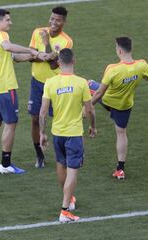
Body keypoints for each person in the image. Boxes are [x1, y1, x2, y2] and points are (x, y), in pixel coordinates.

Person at [0, 9, 48, 174]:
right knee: (10, 124)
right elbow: (8, 47)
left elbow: (13, 57)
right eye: (8, 20)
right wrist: (32, 50)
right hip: (6, 87)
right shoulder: (1, 36)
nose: (10, 23)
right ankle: (6, 164)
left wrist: (35, 57)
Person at [39, 48, 96, 222]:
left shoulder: (50, 82)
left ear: (58, 63)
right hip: (74, 134)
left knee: (61, 164)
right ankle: (65, 211)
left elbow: (42, 112)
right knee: (72, 170)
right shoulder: (81, 83)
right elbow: (89, 109)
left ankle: (69, 198)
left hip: (57, 133)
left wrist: (42, 133)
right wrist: (93, 126)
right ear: (74, 61)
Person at [91, 37, 148, 180]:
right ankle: (120, 169)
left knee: (89, 84)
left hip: (108, 101)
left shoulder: (113, 69)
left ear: (119, 50)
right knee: (121, 133)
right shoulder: (142, 65)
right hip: (124, 106)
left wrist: (88, 107)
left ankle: (79, 113)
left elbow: (100, 93)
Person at [28, 6, 73, 168]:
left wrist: (46, 46)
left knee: (59, 121)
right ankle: (39, 155)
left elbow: (55, 65)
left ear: (64, 22)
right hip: (37, 83)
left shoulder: (66, 41)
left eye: (58, 20)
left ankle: (62, 155)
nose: (53, 22)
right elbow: (30, 56)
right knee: (35, 119)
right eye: (52, 18)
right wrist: (46, 56)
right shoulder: (37, 32)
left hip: (56, 85)